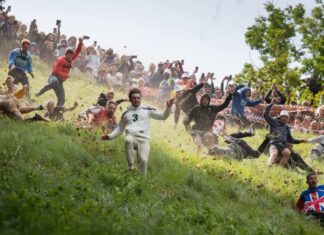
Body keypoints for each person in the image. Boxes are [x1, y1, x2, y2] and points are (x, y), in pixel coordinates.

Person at [101, 88, 175, 174]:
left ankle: (142, 180)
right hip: (131, 135)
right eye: (134, 98)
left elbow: (162, 116)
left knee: (143, 160)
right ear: (130, 100)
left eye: (138, 98)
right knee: (128, 140)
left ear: (140, 98)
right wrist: (110, 136)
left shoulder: (147, 110)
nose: (136, 100)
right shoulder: (126, 114)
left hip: (144, 138)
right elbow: (120, 129)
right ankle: (131, 166)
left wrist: (168, 107)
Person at [184, 87, 234, 153]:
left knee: (210, 136)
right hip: (196, 130)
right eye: (203, 99)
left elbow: (224, 105)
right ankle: (197, 156)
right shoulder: (196, 108)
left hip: (207, 131)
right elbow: (189, 119)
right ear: (201, 100)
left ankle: (211, 153)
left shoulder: (213, 108)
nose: (205, 101)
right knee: (198, 143)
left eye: (206, 100)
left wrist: (230, 95)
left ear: (208, 101)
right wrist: (186, 121)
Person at [36, 37, 83, 107]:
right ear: (66, 53)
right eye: (68, 54)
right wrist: (66, 76)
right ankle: (41, 92)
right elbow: (56, 71)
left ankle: (56, 112)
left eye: (71, 54)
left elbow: (77, 51)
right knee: (55, 82)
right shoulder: (61, 60)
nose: (70, 56)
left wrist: (80, 42)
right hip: (53, 77)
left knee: (62, 100)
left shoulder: (70, 59)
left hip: (60, 82)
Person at [264, 98, 307, 167]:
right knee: (274, 153)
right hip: (273, 143)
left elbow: (290, 139)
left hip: (281, 144)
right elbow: (265, 114)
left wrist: (300, 141)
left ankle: (280, 167)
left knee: (287, 152)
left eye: (286, 117)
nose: (284, 118)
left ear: (288, 120)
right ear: (280, 117)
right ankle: (269, 165)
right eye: (283, 116)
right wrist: (271, 104)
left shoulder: (286, 128)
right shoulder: (274, 122)